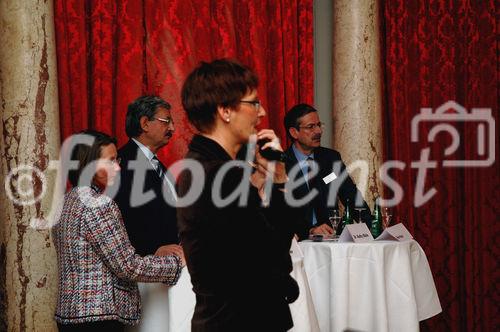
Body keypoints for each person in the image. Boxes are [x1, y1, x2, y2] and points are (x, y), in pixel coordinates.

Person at [177, 59, 299, 332]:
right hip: (241, 320)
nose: (262, 111)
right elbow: (272, 255)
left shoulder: (201, 165)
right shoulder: (221, 174)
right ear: (225, 111)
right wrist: (279, 181)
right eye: (253, 103)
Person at [52, 129, 184, 332]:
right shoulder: (99, 205)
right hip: (99, 319)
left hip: (69, 316)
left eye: (117, 160)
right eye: (110, 161)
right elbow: (128, 266)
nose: (118, 168)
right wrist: (175, 263)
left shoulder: (66, 203)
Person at [284, 103, 372, 240]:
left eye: (319, 125)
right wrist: (310, 230)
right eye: (311, 127)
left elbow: (351, 195)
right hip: (297, 243)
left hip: (332, 239)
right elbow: (280, 213)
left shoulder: (331, 158)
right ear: (294, 132)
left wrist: (374, 227)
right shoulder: (280, 165)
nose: (318, 131)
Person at [114, 95, 181, 257]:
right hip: (146, 268)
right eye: (166, 121)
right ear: (144, 123)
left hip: (176, 264)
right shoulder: (119, 164)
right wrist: (150, 249)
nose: (172, 128)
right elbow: (120, 219)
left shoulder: (158, 166)